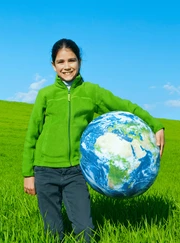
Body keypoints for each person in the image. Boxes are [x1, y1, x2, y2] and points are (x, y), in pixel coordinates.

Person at [22, 38, 165, 242]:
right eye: (61, 62)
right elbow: (32, 135)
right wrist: (28, 173)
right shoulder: (45, 95)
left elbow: (124, 106)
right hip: (45, 170)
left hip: (76, 172)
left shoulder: (91, 92)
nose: (67, 66)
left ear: (79, 61)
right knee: (51, 232)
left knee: (86, 231)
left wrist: (155, 124)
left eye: (71, 60)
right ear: (53, 65)